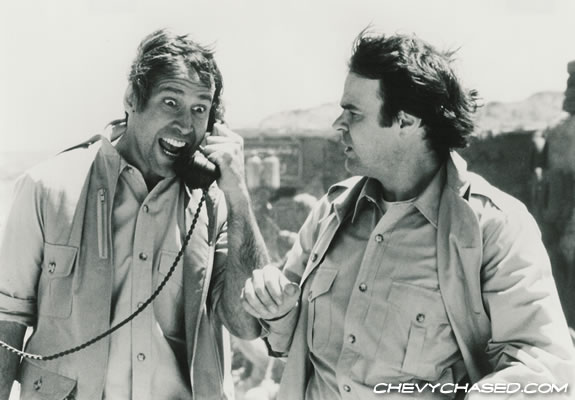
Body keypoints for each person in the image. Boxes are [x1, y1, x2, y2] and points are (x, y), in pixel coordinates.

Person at [241, 30, 575, 399]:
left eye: (353, 114)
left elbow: (545, 368)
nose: (338, 125)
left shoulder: (493, 228)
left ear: (406, 122)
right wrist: (276, 309)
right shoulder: (330, 214)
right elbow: (288, 342)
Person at [0, 29, 268, 400]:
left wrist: (238, 196)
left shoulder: (213, 205)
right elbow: (7, 320)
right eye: (170, 102)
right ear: (132, 98)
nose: (185, 125)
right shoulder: (47, 188)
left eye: (199, 109)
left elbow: (248, 324)